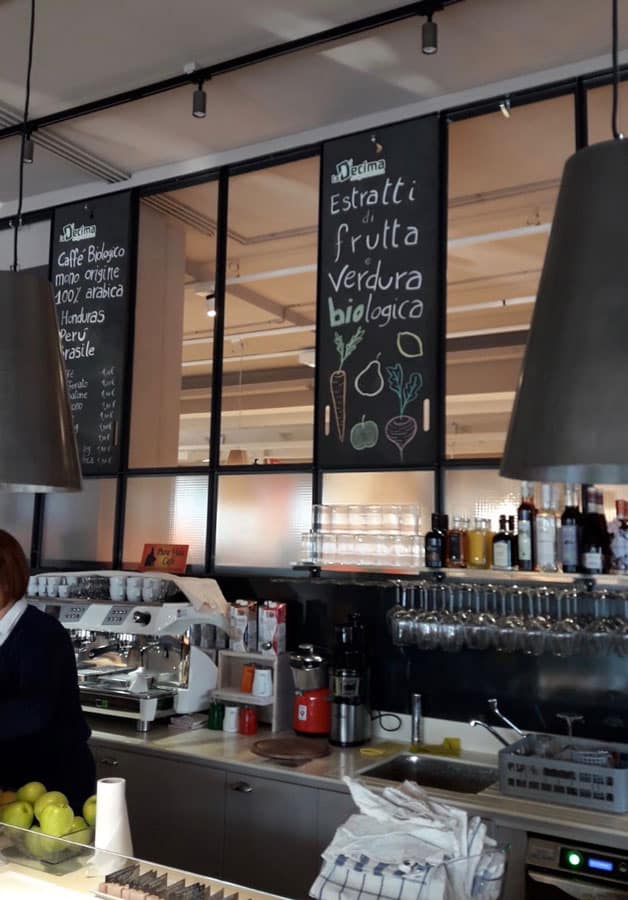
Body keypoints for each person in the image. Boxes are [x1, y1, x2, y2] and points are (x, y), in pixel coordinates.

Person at [0, 530, 95, 812]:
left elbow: (33, 711)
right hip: (11, 784)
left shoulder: (42, 633)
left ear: (6, 580)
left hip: (53, 784)